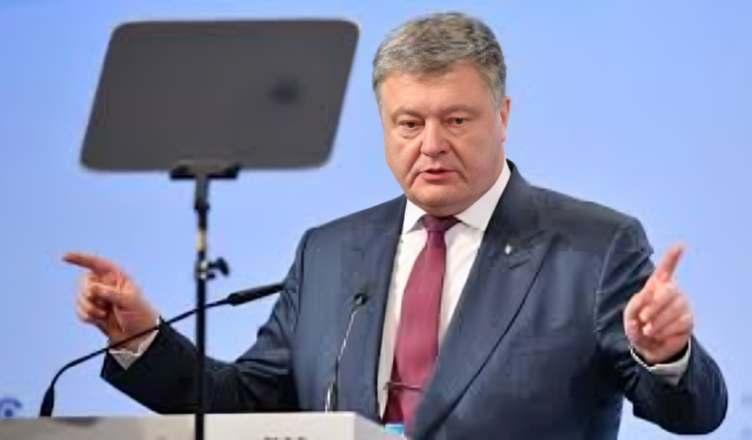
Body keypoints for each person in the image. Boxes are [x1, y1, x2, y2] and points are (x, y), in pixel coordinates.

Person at [65, 11, 727, 439]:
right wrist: (142, 339)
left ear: (503, 116)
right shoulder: (329, 251)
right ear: (384, 125)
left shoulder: (593, 246)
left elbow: (693, 413)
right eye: (409, 123)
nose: (431, 145)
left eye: (457, 120)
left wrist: (664, 356)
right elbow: (249, 404)